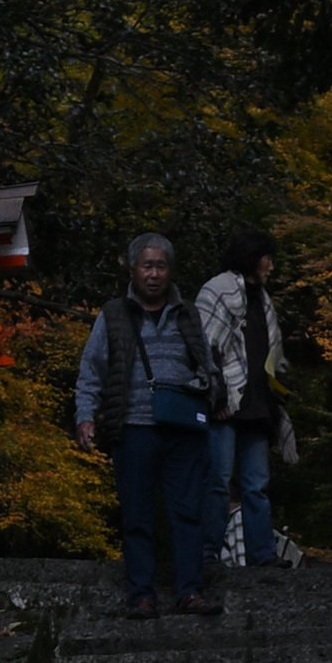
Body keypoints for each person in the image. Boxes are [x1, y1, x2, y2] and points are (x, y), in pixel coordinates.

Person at [73, 232, 224, 616]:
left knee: (188, 511)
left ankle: (189, 590)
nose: (154, 274)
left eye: (161, 266)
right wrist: (86, 416)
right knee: (136, 513)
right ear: (133, 269)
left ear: (170, 271)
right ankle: (141, 594)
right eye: (147, 265)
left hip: (183, 429)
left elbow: (208, 365)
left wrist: (207, 390)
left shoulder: (188, 314)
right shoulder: (113, 315)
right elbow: (92, 370)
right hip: (133, 425)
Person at [196, 237, 300, 577]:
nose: (271, 266)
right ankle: (207, 552)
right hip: (225, 403)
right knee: (218, 480)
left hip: (257, 406)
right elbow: (205, 344)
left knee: (256, 485)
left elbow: (272, 353)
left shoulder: (263, 300)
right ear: (253, 258)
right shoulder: (219, 290)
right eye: (267, 258)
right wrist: (218, 393)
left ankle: (262, 554)